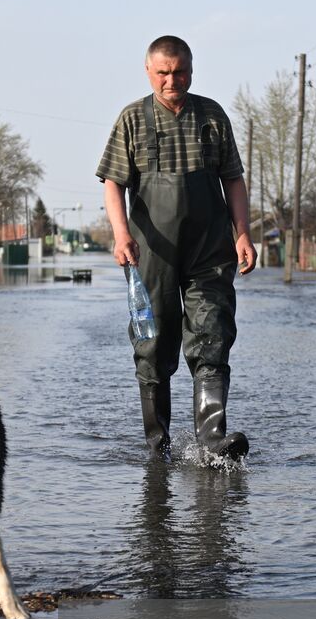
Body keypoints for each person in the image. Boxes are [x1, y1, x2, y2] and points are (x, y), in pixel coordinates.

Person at [96, 35, 256, 460]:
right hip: (151, 253)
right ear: (149, 72)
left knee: (212, 336)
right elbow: (113, 183)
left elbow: (233, 180)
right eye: (163, 72)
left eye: (180, 71)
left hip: (209, 251)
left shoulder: (212, 116)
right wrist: (121, 235)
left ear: (191, 69)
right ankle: (158, 445)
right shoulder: (131, 119)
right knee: (152, 344)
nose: (172, 80)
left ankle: (211, 440)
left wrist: (242, 233)